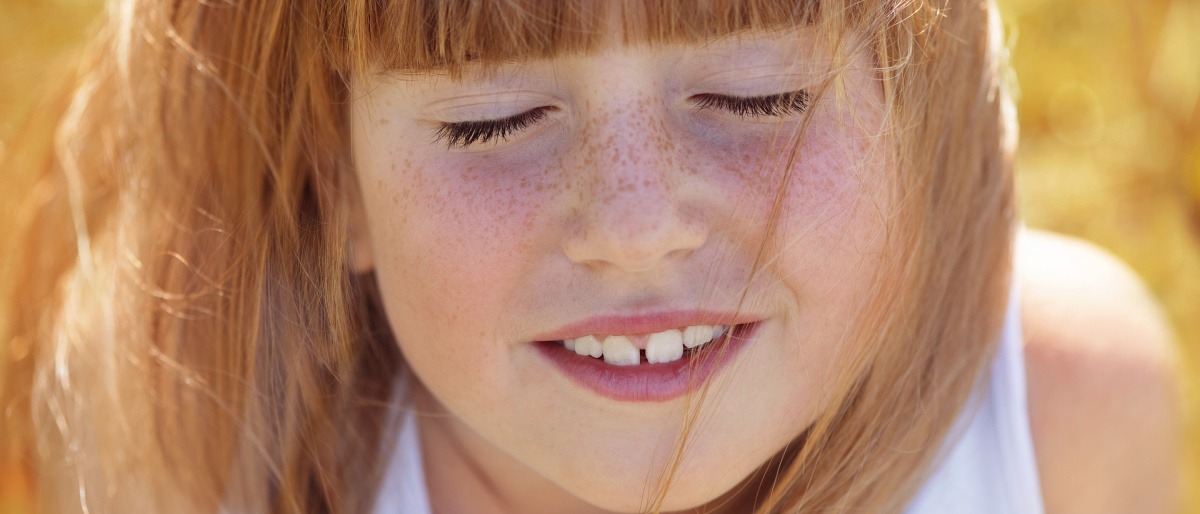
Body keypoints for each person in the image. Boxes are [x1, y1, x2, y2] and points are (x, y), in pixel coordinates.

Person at [0, 0, 1181, 513]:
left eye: (753, 95)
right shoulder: (199, 431)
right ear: (334, 182)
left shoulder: (1061, 409)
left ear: (923, 123)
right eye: (490, 121)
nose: (632, 224)